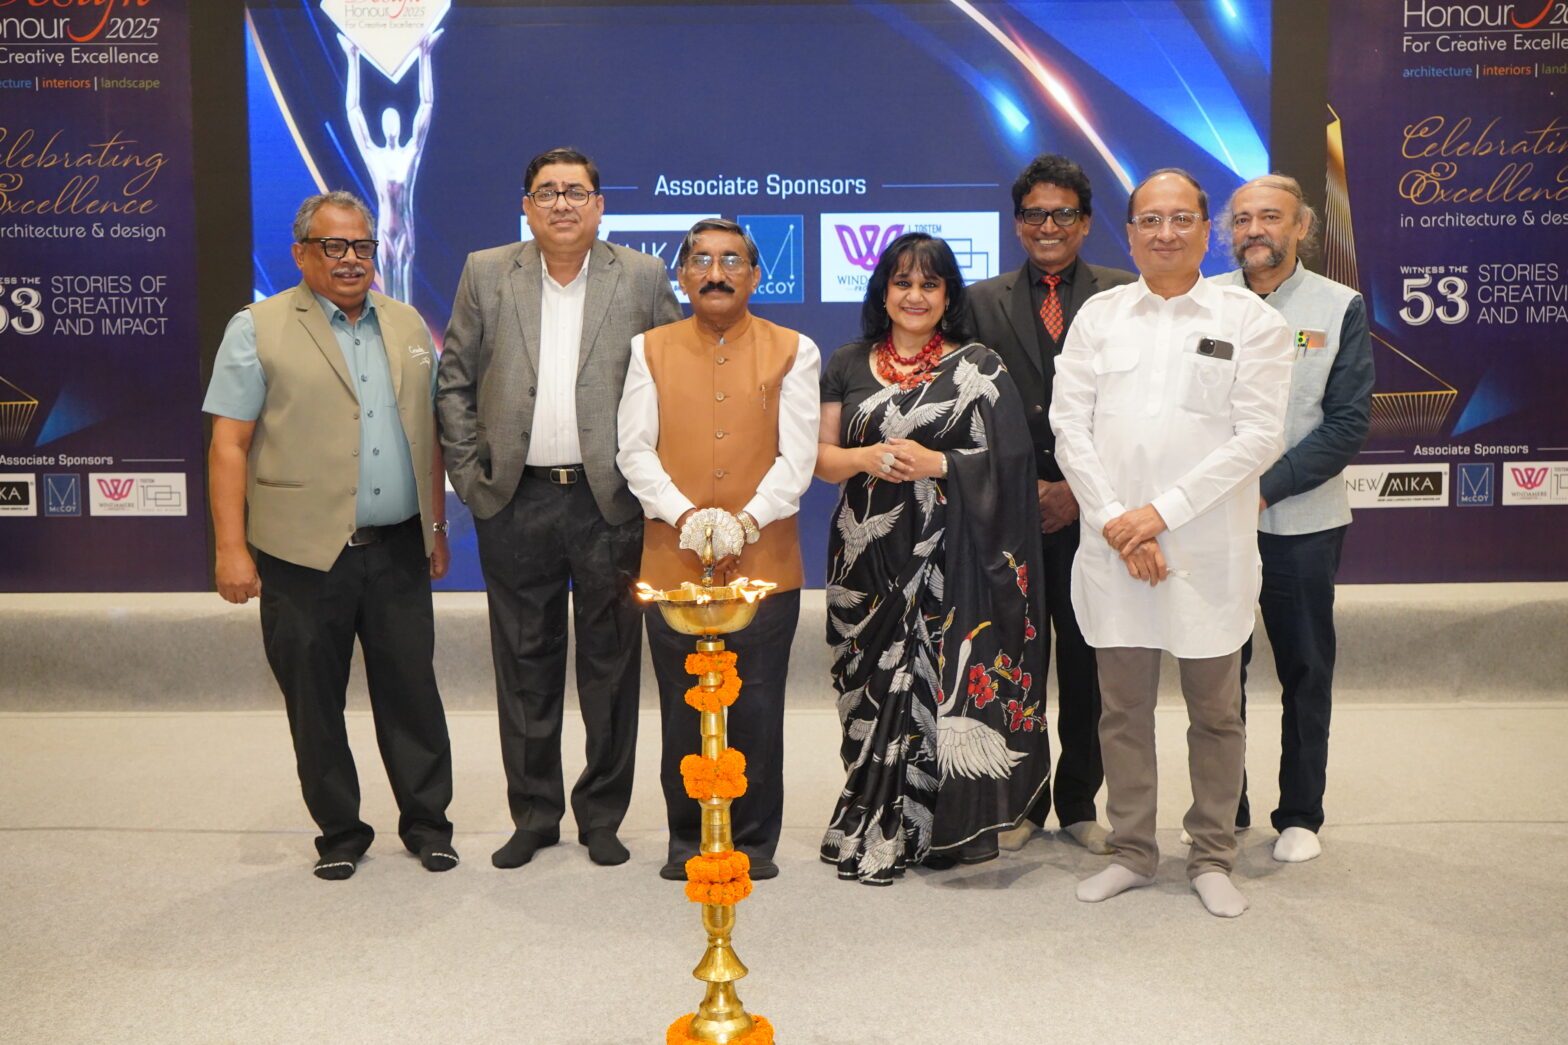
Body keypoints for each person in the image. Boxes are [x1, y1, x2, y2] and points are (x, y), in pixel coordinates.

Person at [1049, 169, 1291, 917]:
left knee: (1216, 712)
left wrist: (1159, 515)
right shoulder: (1099, 317)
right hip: (1115, 547)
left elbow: (1259, 436)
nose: (1165, 233)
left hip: (1205, 551)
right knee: (1121, 710)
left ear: (1205, 230)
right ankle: (1132, 850)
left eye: (1181, 218)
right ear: (1129, 233)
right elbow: (1069, 427)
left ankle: (1212, 853)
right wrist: (1119, 522)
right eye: (1150, 220)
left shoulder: (1250, 320)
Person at [437, 147, 681, 870]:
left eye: (576, 191)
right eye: (547, 192)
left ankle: (602, 816)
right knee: (523, 663)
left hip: (611, 503)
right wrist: (469, 478)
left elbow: (673, 380)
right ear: (526, 206)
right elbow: (453, 382)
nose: (562, 204)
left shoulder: (642, 276)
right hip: (515, 500)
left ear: (600, 205)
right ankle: (535, 815)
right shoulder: (487, 271)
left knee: (611, 665)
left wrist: (657, 486)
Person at [204, 190, 456, 880]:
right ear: (300, 253)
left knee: (413, 692)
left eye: (362, 246)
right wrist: (231, 548)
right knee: (314, 702)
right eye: (333, 246)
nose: (351, 259)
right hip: (300, 554)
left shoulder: (406, 323)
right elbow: (229, 444)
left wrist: (436, 526)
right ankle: (341, 832)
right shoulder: (256, 327)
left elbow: (428, 437)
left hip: (398, 545)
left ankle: (429, 825)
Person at [817, 232, 1050, 886]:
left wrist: (940, 464)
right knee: (867, 693)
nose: (915, 295)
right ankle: (873, 811)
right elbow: (821, 458)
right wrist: (865, 457)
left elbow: (1012, 463)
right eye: (902, 282)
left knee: (936, 685)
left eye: (929, 283)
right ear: (883, 291)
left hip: (953, 562)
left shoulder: (982, 366)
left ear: (949, 295)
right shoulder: (847, 361)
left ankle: (937, 827)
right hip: (865, 562)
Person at [617, 218, 820, 882]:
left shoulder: (795, 349)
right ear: (681, 275)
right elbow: (634, 451)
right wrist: (688, 520)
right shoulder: (649, 349)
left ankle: (754, 840)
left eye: (732, 260)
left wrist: (744, 523)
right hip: (672, 560)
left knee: (757, 706)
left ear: (756, 275)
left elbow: (797, 458)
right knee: (683, 707)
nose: (716, 273)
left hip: (764, 560)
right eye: (701, 260)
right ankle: (686, 838)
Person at [970, 154, 1135, 856]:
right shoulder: (979, 301)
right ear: (1017, 223)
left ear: (1086, 222)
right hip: (1011, 512)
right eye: (1034, 213)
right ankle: (1021, 801)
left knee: (1090, 663)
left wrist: (1075, 489)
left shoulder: (1123, 294)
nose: (1048, 225)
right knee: (1016, 661)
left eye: (1063, 213)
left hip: (1094, 509)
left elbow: (1134, 410)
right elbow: (967, 411)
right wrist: (1027, 487)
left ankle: (1079, 802)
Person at [1211, 173, 1374, 864]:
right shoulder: (1203, 302)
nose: (1255, 230)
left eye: (1271, 217)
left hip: (1303, 523)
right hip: (1213, 524)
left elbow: (1346, 424)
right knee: (1220, 671)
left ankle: (1301, 813)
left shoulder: (1339, 306)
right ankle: (1226, 805)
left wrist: (1262, 491)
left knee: (1305, 668)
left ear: (1302, 226)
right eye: (1243, 218)